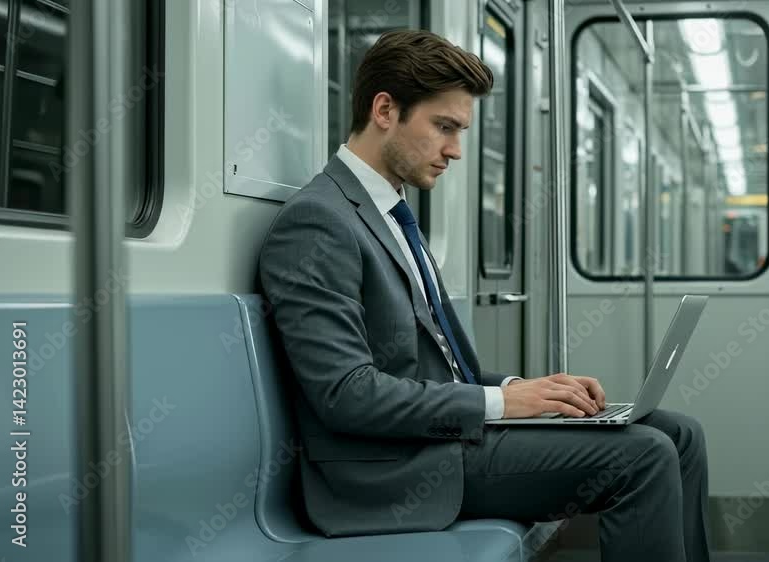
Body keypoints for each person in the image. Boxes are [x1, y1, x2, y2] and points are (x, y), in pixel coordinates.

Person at [256, 29, 711, 562]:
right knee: (643, 457)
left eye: (460, 130)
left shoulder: (390, 214)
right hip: (393, 472)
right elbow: (346, 395)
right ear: (385, 110)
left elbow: (431, 367)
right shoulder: (319, 221)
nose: (455, 150)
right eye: (443, 127)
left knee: (680, 434)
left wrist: (528, 389)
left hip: (442, 441)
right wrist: (502, 403)